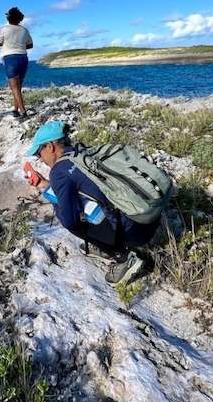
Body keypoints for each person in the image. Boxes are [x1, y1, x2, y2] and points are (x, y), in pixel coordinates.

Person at [25, 121, 160, 286]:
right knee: (86, 209)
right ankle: (105, 244)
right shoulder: (83, 153)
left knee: (72, 222)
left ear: (50, 146)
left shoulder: (59, 172)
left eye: (39, 153)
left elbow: (69, 219)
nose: (41, 159)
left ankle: (122, 258)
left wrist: (56, 202)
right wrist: (44, 184)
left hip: (134, 234)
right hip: (151, 218)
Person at [0, 7, 33, 119]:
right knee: (18, 87)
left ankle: (23, 113)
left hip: (10, 58)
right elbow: (30, 45)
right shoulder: (24, 30)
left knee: (15, 88)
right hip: (23, 57)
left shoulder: (5, 29)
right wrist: (20, 44)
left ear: (8, 17)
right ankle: (15, 109)